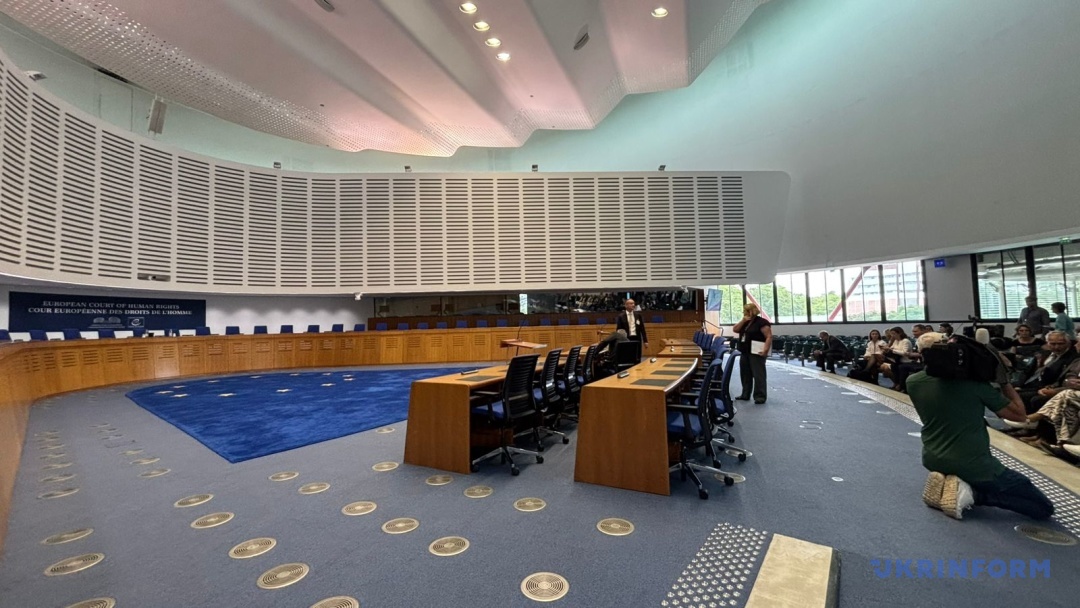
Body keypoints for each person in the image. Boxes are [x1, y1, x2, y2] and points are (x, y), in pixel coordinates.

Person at [908, 332, 1054, 521]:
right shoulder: (975, 385)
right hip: (975, 465)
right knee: (1043, 508)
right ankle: (974, 495)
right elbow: (1019, 416)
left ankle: (953, 483)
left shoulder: (913, 382)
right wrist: (1004, 381)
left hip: (932, 457)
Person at [1017, 330, 1078, 412]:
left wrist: (1052, 387)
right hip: (1031, 383)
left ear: (1068, 343)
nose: (1056, 347)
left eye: (1060, 344)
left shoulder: (1072, 358)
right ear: (1047, 343)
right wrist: (1019, 385)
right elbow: (1028, 371)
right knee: (1012, 392)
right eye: (1053, 344)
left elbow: (1062, 378)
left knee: (1026, 397)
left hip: (1047, 385)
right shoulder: (1043, 354)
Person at [733, 302, 772, 404]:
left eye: (747, 311)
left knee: (758, 375)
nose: (745, 313)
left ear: (753, 311)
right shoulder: (745, 322)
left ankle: (760, 396)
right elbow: (735, 329)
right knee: (745, 374)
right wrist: (743, 320)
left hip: (756, 352)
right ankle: (745, 394)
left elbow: (768, 336)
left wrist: (765, 350)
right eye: (745, 311)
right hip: (745, 351)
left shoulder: (762, 322)